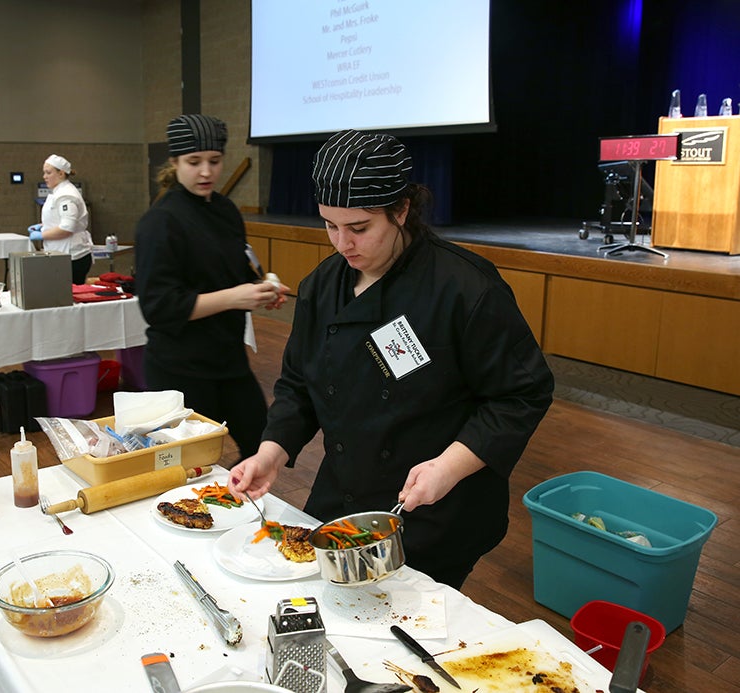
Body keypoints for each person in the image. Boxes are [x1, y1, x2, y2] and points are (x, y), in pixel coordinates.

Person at [228, 130, 554, 588]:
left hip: (433, 508)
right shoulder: (325, 284)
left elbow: (521, 394)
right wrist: (271, 452)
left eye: (359, 228)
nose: (343, 244)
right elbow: (299, 382)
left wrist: (449, 467)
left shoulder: (464, 287)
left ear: (401, 210)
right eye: (329, 225)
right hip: (342, 496)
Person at [134, 114, 290, 463]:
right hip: (180, 367)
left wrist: (260, 288)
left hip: (227, 359)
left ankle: (235, 509)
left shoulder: (224, 210)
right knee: (189, 466)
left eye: (215, 161)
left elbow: (233, 273)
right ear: (174, 163)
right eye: (194, 162)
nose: (206, 172)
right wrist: (237, 297)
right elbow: (160, 307)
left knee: (260, 447)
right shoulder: (161, 222)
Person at [28, 154, 92, 284]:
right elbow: (60, 218)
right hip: (62, 255)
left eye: (48, 172)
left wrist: (42, 235)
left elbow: (67, 228)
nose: (44, 176)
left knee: (68, 298)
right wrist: (43, 225)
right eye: (44, 173)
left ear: (61, 173)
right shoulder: (58, 192)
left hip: (72, 257)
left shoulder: (66, 195)